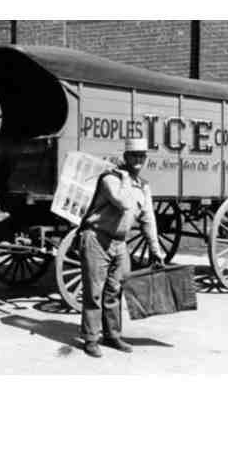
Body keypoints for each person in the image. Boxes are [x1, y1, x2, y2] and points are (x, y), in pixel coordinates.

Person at [78, 137, 165, 358]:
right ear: (125, 157)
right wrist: (126, 179)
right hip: (97, 238)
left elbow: (148, 219)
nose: (138, 160)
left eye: (142, 156)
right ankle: (90, 339)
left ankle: (112, 335)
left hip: (119, 242)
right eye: (134, 155)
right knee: (94, 292)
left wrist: (156, 250)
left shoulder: (143, 186)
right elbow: (122, 202)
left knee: (115, 290)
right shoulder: (111, 178)